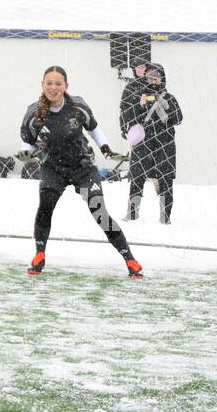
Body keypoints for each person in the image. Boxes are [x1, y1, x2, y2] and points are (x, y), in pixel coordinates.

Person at [20, 66, 143, 279]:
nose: (53, 87)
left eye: (58, 83)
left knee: (100, 213)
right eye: (49, 83)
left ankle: (130, 259)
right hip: (52, 169)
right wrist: (26, 153)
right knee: (45, 207)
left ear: (66, 86)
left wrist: (105, 148)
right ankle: (39, 255)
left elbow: (94, 128)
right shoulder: (33, 112)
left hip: (82, 168)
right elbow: (27, 140)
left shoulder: (78, 107)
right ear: (42, 85)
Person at [121, 62, 183, 223]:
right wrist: (141, 106)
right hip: (143, 144)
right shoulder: (138, 96)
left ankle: (165, 216)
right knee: (137, 178)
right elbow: (130, 119)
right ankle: (132, 214)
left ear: (162, 79)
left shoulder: (169, 97)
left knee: (166, 180)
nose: (153, 81)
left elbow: (178, 119)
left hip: (164, 144)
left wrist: (166, 106)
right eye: (150, 78)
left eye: (156, 78)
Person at [118, 60, 149, 136]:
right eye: (137, 68)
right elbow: (123, 108)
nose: (139, 70)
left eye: (142, 67)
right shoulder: (129, 87)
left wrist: (146, 99)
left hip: (150, 125)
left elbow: (157, 99)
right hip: (134, 126)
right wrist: (123, 126)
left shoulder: (152, 84)